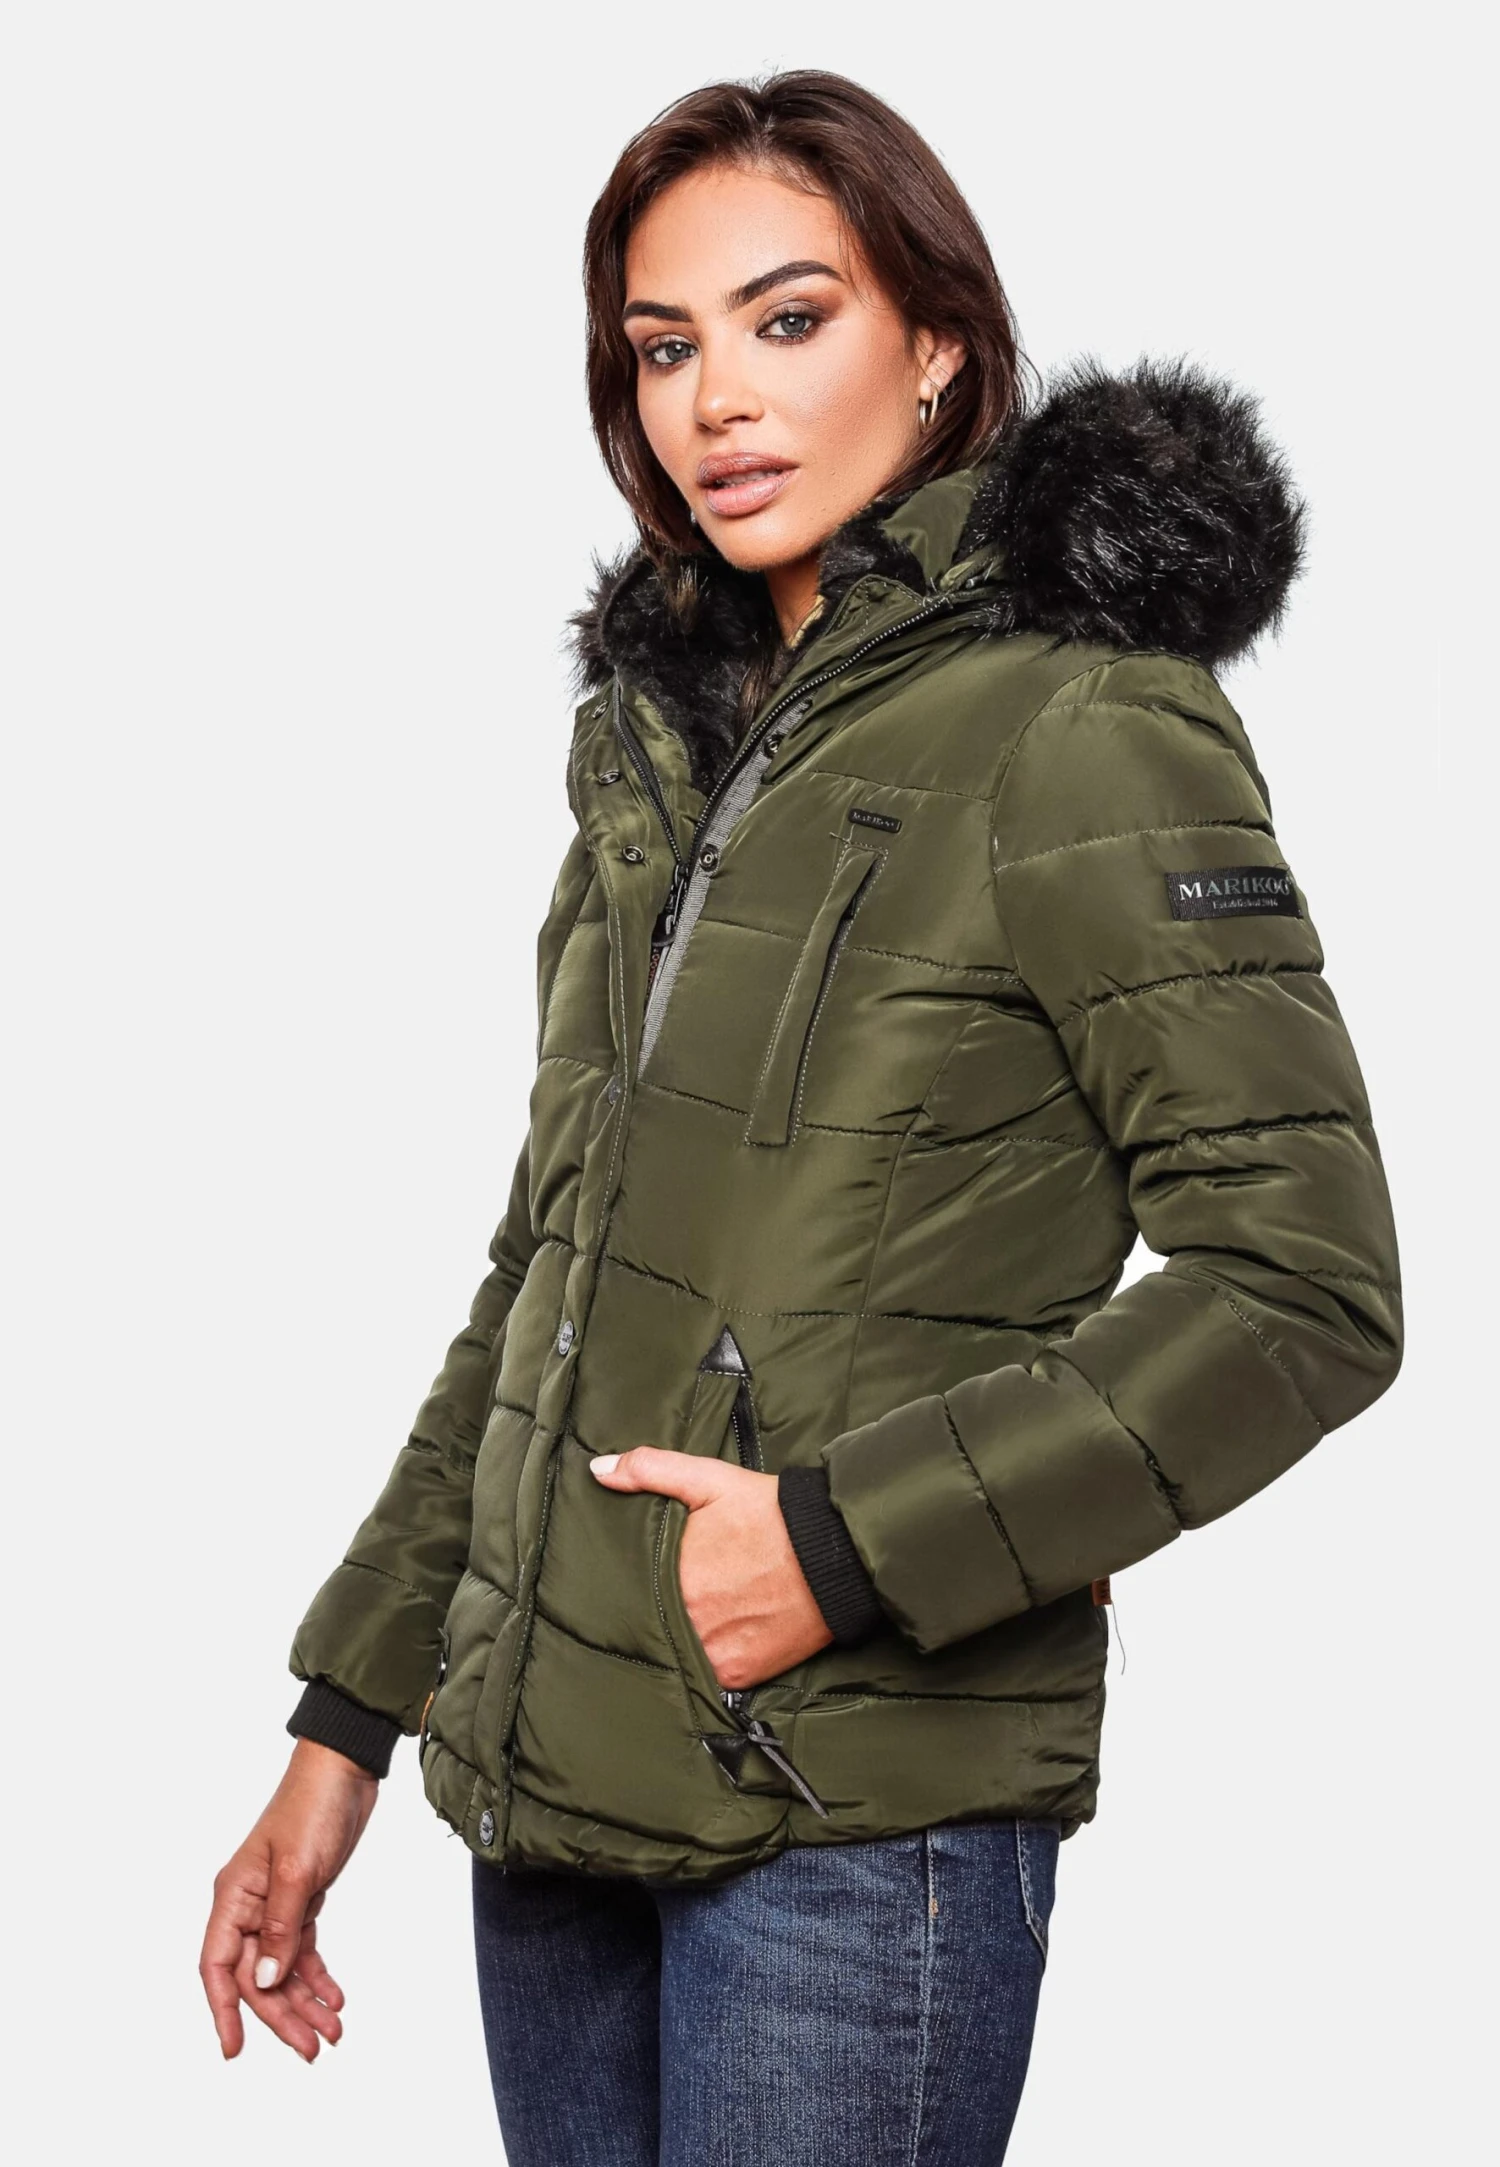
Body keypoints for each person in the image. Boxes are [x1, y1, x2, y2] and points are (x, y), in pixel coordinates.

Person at [200, 69, 1404, 2165]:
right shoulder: (663, 739)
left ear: (935, 343)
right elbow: (550, 1268)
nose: (718, 402)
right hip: (548, 1802)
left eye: (789, 319)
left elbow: (1302, 1283)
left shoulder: (1084, 720)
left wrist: (845, 1547)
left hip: (849, 1812)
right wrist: (347, 1725)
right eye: (664, 347)